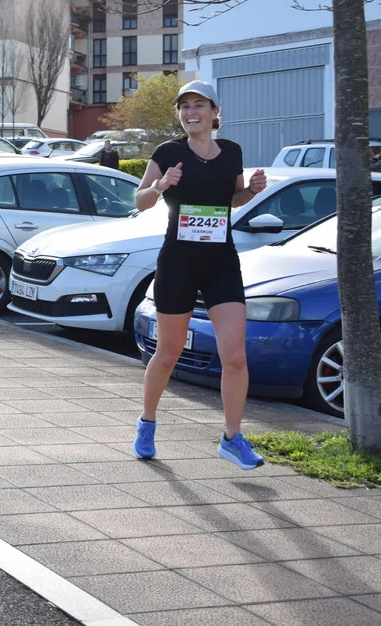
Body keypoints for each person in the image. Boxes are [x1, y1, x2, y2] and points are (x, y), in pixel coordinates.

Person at [132, 80, 267, 469]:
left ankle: (232, 438)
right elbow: (140, 200)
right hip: (178, 262)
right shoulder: (168, 152)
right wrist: (160, 186)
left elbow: (232, 198)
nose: (190, 112)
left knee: (235, 356)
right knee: (168, 353)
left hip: (221, 262)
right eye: (184, 106)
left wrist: (252, 191)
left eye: (198, 105)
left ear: (214, 111)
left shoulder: (232, 152)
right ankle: (147, 422)